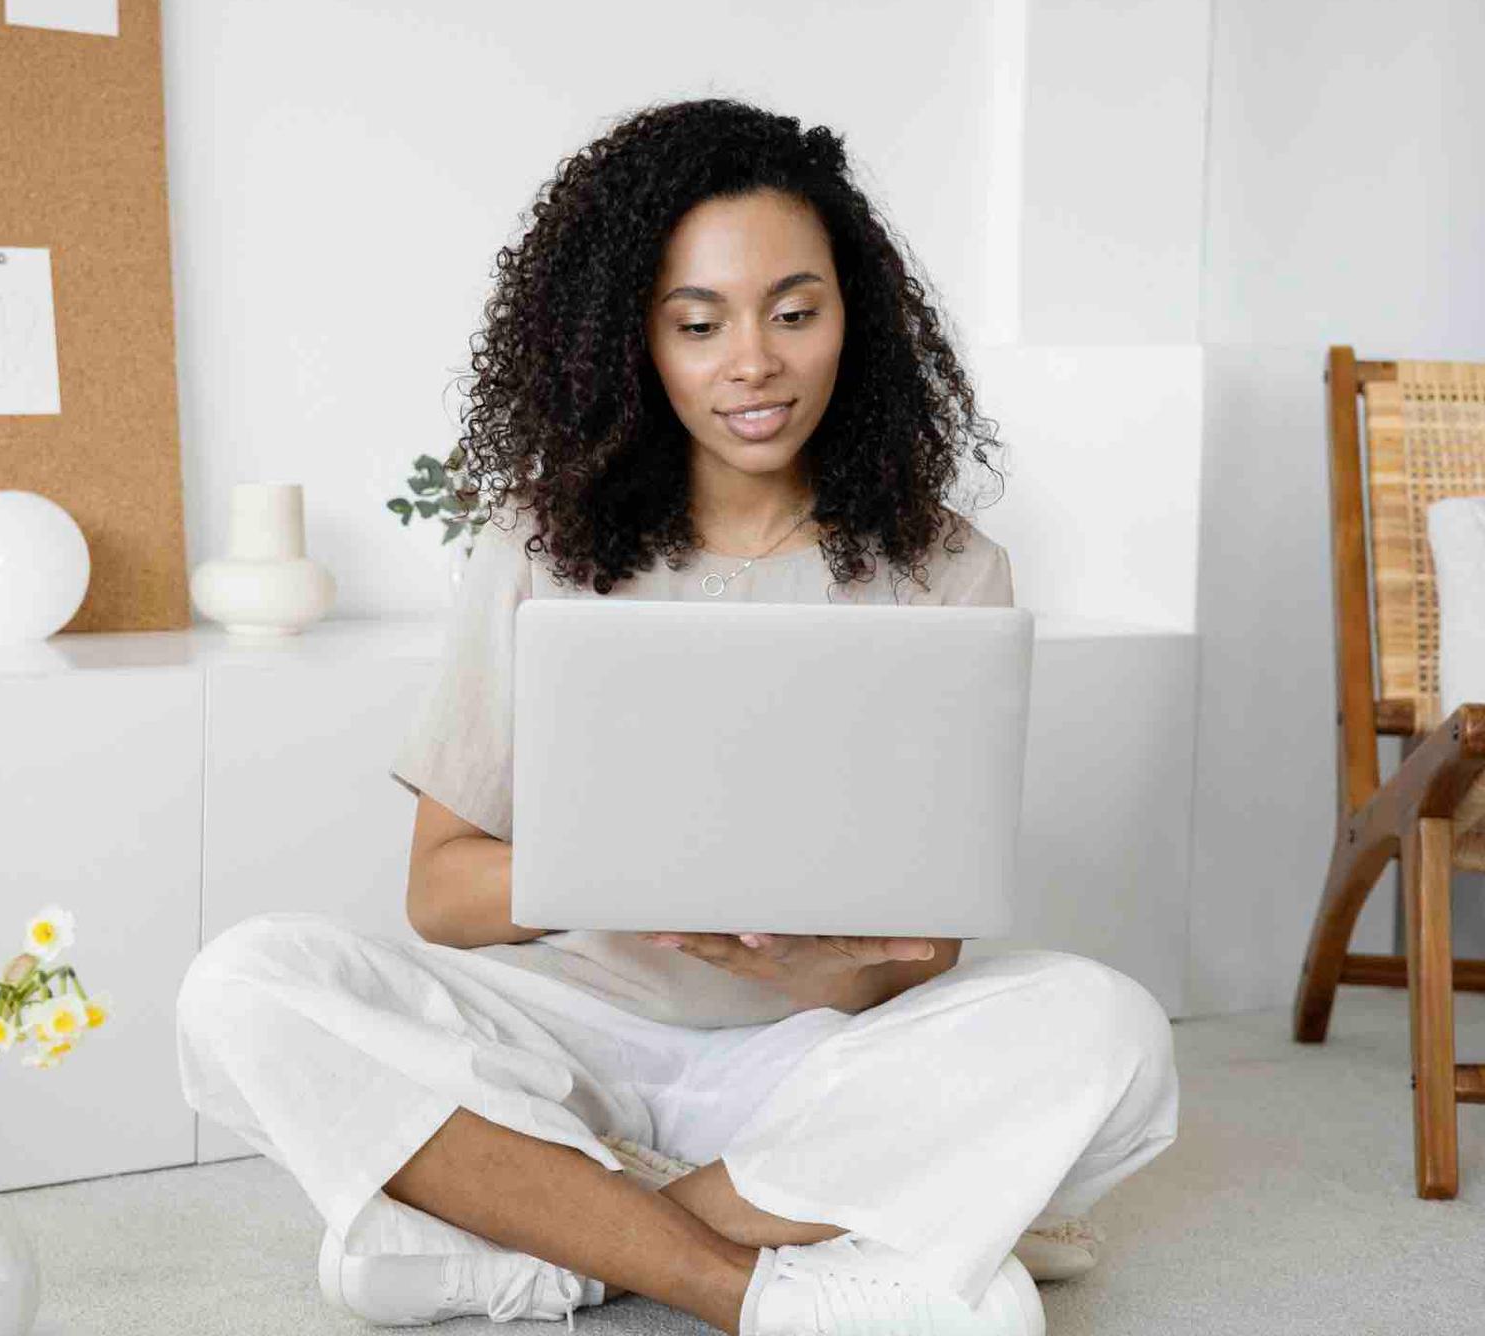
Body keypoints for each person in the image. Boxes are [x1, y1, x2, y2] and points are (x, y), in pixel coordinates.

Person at [176, 98, 1178, 1336]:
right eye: (697, 324)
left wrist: (811, 961)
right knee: (243, 985)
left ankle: (553, 1239)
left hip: (803, 1057)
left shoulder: (947, 569)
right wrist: (621, 877)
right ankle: (748, 1278)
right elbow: (438, 894)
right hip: (556, 1046)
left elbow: (925, 952)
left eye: (793, 314)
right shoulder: (536, 547)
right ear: (631, 341)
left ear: (854, 320)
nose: (751, 362)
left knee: (1107, 1031)